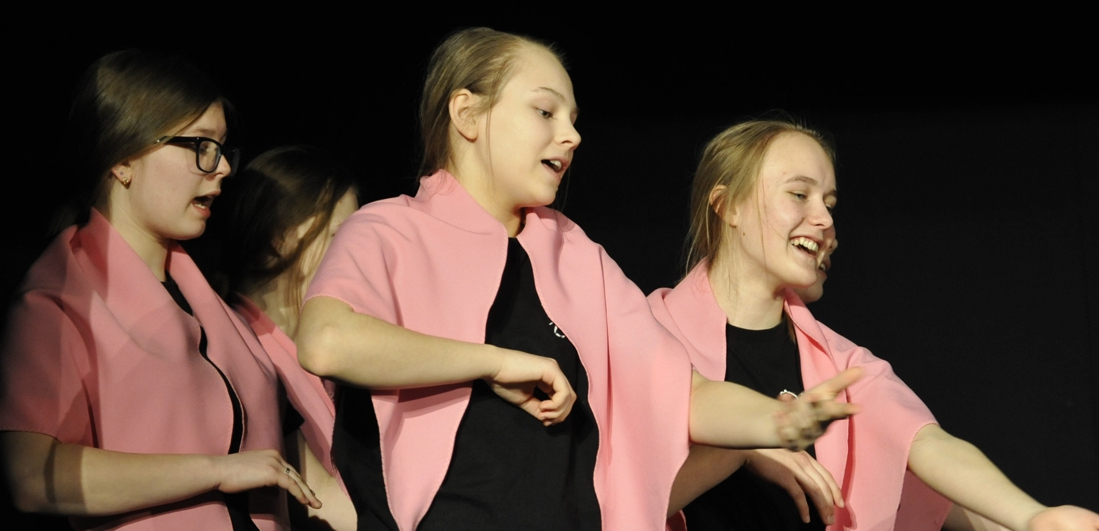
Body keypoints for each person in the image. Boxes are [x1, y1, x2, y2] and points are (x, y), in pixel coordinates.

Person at [295, 28, 860, 531]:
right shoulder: (389, 229)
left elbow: (685, 393)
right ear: (467, 115)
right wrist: (494, 362)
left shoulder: (576, 255)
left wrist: (780, 419)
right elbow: (326, 341)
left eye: (573, 119)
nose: (572, 135)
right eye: (545, 112)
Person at [650, 118, 1099, 531]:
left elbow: (929, 448)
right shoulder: (647, 335)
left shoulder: (841, 365)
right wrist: (746, 441)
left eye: (830, 201)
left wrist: (1037, 519)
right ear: (728, 206)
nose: (824, 218)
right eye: (799, 194)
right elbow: (624, 497)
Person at [0, 50, 319, 531]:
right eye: (201, 145)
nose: (222, 168)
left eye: (222, 149)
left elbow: (307, 483)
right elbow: (32, 475)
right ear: (124, 159)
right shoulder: (57, 302)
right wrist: (216, 471)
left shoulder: (216, 311)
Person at [216, 145, 359, 530]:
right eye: (341, 236)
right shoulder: (244, 348)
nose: (359, 257)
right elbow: (316, 499)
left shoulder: (312, 348)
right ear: (279, 239)